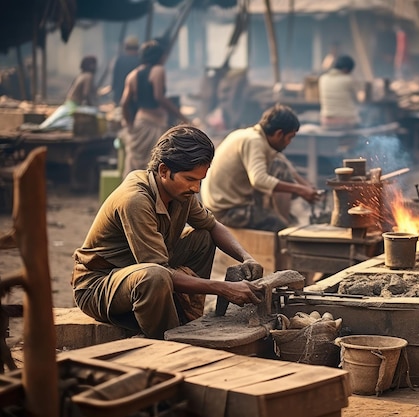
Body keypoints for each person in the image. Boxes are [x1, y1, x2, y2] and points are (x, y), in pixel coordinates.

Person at [72, 125, 265, 339]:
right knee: (155, 277)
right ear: (163, 171)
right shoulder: (136, 200)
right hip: (99, 285)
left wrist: (247, 258)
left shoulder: (181, 193)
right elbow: (160, 271)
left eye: (200, 180)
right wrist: (224, 288)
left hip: (137, 271)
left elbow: (212, 226)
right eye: (190, 179)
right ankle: (169, 340)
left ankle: (186, 319)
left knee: (203, 237)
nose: (196, 189)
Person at [200, 104, 319, 232]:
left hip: (228, 202)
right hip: (226, 211)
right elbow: (258, 179)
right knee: (279, 227)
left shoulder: (253, 135)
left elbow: (282, 161)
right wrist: (299, 190)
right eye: (289, 138)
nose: (289, 143)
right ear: (279, 134)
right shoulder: (254, 141)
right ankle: (282, 234)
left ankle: (283, 218)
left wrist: (304, 185)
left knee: (281, 169)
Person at [120, 39, 189, 178]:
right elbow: (159, 97)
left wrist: (129, 124)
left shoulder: (132, 75)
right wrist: (182, 117)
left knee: (137, 168)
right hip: (155, 123)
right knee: (154, 167)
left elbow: (124, 103)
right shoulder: (158, 70)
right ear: (159, 56)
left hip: (139, 123)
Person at [39, 56, 98, 130]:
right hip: (74, 106)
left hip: (69, 103)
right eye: (95, 64)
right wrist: (93, 106)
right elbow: (86, 94)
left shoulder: (81, 75)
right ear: (91, 65)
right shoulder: (89, 76)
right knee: (62, 125)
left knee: (49, 124)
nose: (96, 67)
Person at [318, 55, 361, 129]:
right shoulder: (348, 80)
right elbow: (357, 99)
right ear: (346, 69)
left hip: (326, 121)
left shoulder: (322, 78)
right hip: (346, 121)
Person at [111, 36, 140, 106]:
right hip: (134, 99)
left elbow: (114, 81)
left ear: (126, 48)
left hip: (119, 97)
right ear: (137, 48)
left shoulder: (119, 60)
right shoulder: (139, 61)